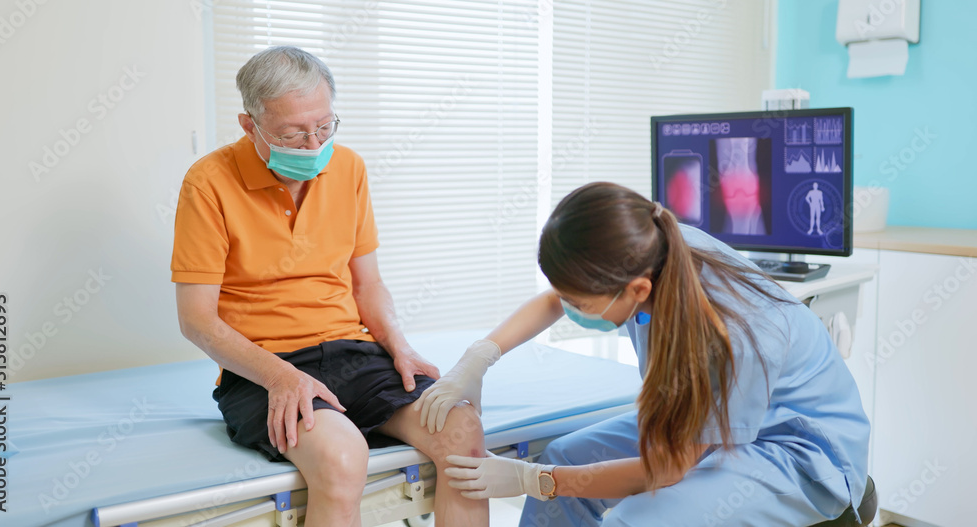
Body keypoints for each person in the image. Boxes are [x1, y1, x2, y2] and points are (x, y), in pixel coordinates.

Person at [417, 182, 870, 526]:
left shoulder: (729, 335)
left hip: (791, 450)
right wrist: (478, 358)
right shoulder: (650, 247)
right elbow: (559, 296)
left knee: (631, 521)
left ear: (637, 291)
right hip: (703, 417)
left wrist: (535, 480)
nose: (569, 310)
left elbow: (668, 468)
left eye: (582, 305)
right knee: (565, 454)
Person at [172, 46, 488, 527]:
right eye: (292, 133)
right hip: (266, 368)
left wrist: (398, 346)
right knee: (343, 455)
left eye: (323, 126)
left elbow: (369, 284)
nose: (312, 143)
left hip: (353, 350)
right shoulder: (208, 183)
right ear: (248, 124)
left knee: (461, 427)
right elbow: (196, 320)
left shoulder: (349, 168)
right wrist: (280, 377)